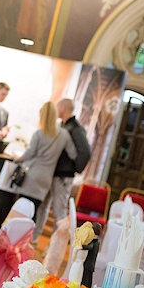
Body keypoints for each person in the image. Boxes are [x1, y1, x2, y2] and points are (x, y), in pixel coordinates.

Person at [32, 98, 91, 241]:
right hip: (52, 174)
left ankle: (55, 247)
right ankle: (34, 239)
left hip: (64, 177)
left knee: (59, 212)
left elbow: (85, 152)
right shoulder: (62, 126)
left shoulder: (76, 129)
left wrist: (75, 169)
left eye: (58, 107)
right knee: (42, 207)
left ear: (63, 109)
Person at [4, 101, 77, 214]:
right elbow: (73, 154)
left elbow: (30, 153)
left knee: (21, 210)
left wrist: (18, 157)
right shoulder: (64, 134)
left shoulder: (39, 133)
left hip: (32, 176)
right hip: (46, 178)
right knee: (34, 212)